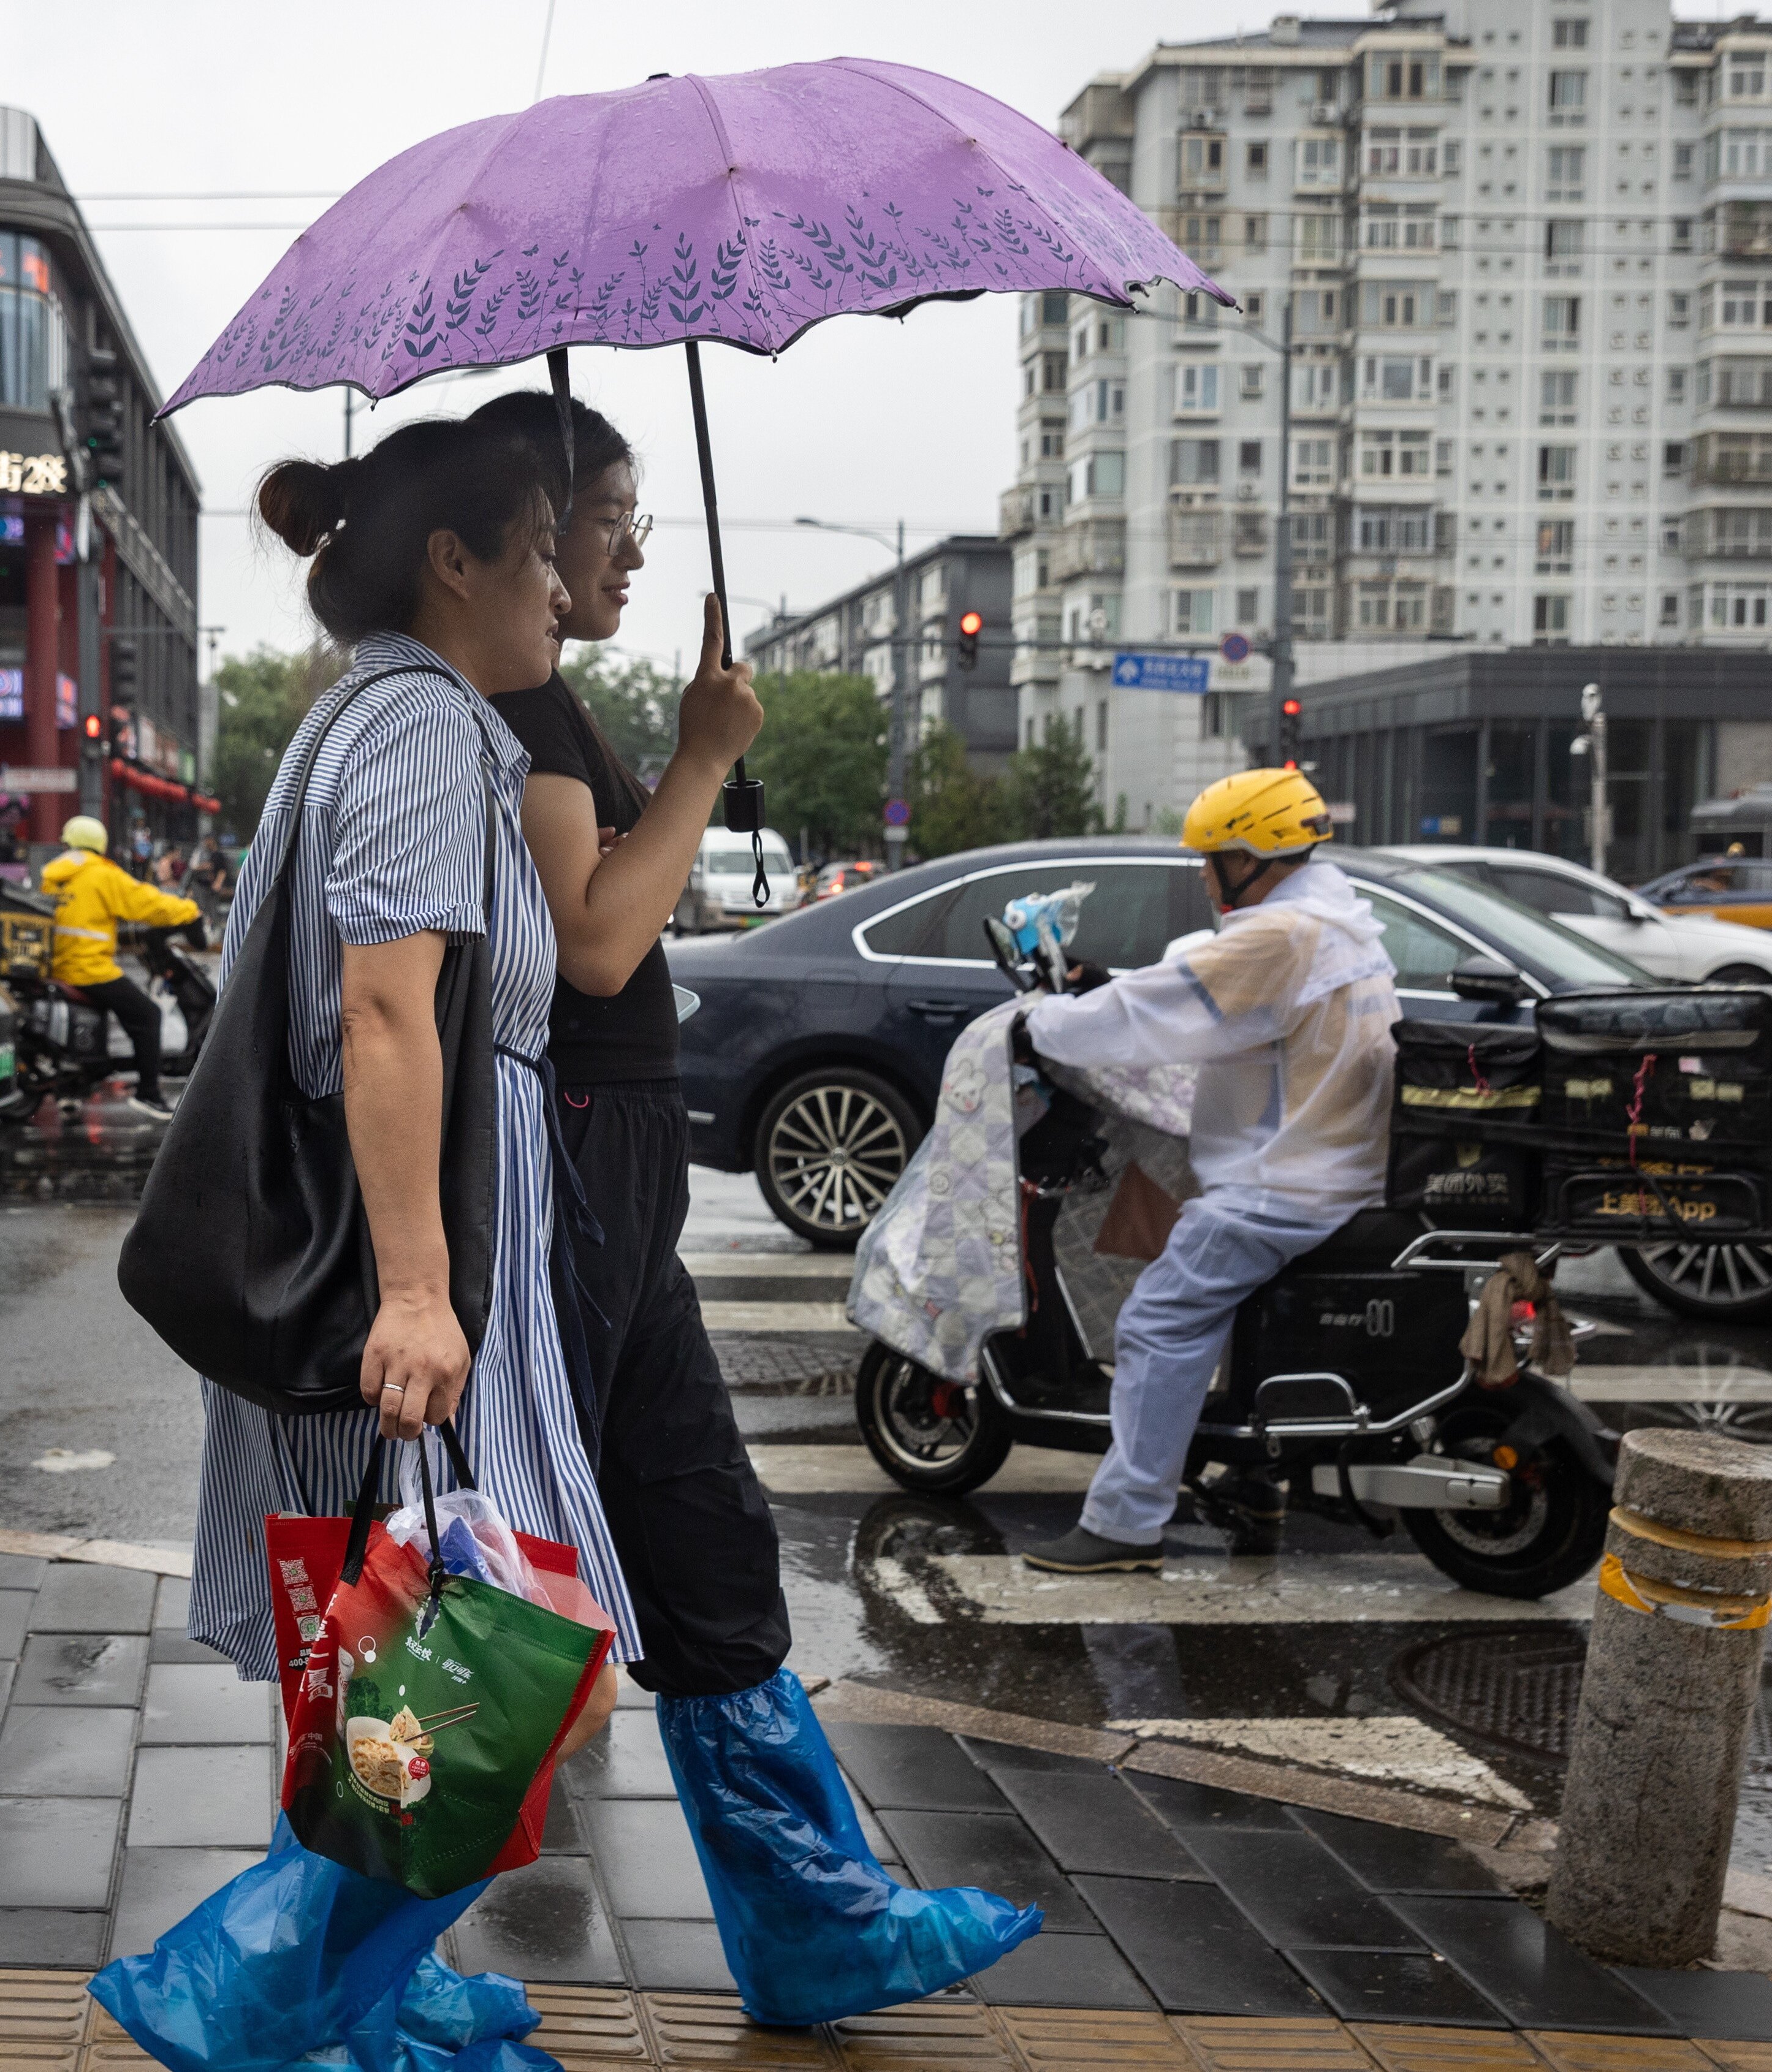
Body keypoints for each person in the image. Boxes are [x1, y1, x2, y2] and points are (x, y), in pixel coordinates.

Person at [458, 387, 1036, 2029]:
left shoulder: (558, 707)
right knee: (506, 1575)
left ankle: (810, 1918)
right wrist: (709, 756)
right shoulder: (516, 716)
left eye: (641, 524)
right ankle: (303, 1965)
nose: (632, 551)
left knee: (706, 1542)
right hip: (564, 1161)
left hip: (617, 1173)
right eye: (609, 523)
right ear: (527, 536)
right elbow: (594, 942)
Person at [95, 416, 620, 2071]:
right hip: (380, 1271)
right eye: (535, 545)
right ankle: (264, 1996)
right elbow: (386, 1008)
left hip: (414, 1259)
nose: (556, 580)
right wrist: (415, 1290)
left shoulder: (421, 717)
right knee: (490, 1659)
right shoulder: (409, 722)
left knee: (393, 1657)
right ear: (450, 562)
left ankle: (359, 1993)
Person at [1013, 767, 1401, 1575]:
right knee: (1240, 1328)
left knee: (1157, 1324)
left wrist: (1042, 1021)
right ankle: (1254, 1480)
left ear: (1251, 854)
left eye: (1211, 857)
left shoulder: (1282, 933)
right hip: (1338, 1172)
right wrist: (1108, 987)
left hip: (1285, 1187)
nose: (1202, 874)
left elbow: (1155, 1013)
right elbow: (1205, 1006)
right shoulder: (1340, 924)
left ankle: (1125, 1522)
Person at [40, 814, 202, 1115]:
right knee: (148, 1016)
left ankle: (73, 1086)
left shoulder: (52, 875)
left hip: (57, 967)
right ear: (99, 844)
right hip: (88, 968)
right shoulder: (101, 874)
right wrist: (190, 911)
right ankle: (149, 1094)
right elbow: (145, 902)